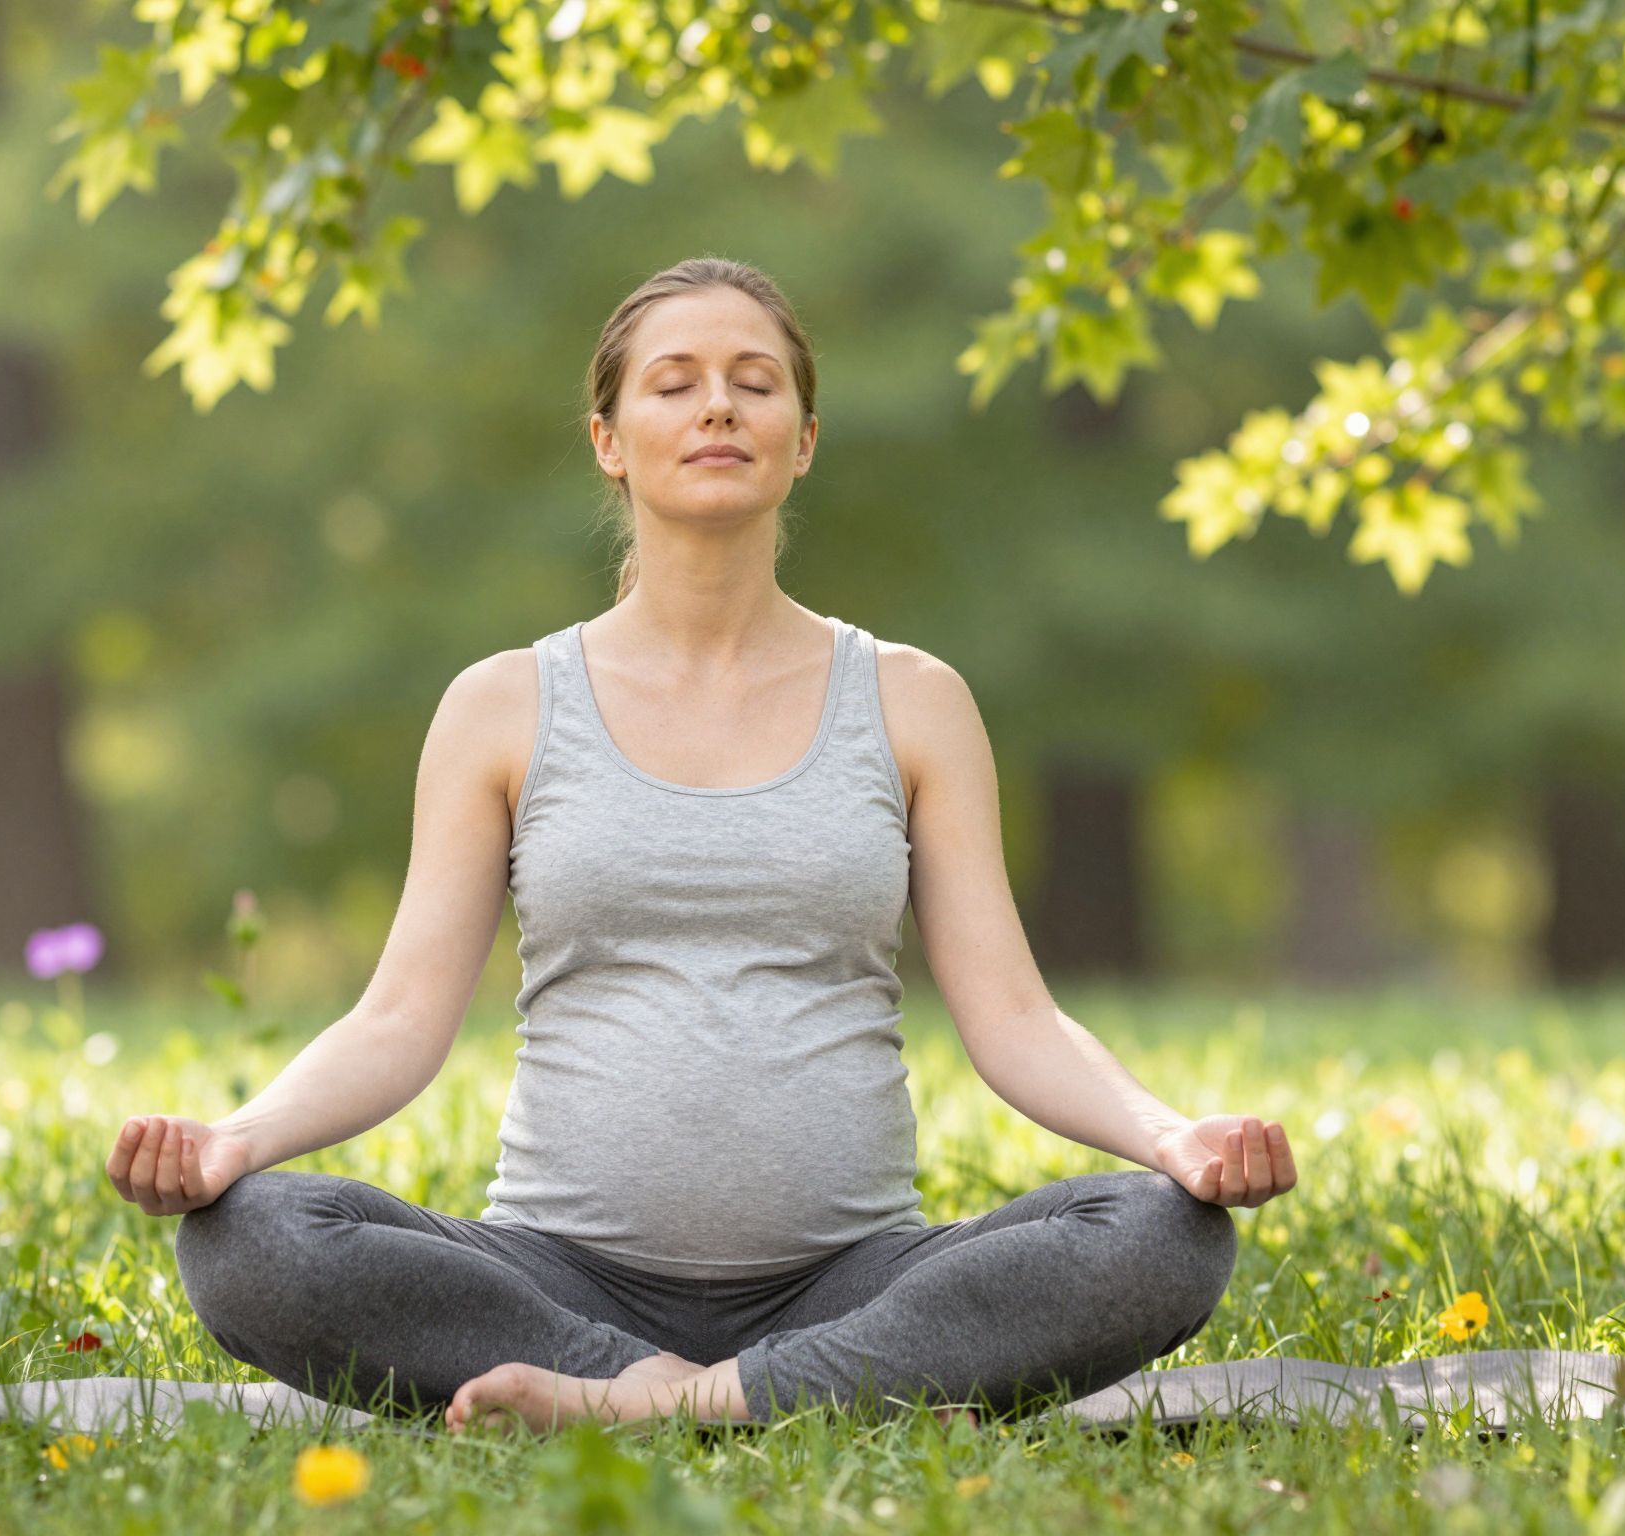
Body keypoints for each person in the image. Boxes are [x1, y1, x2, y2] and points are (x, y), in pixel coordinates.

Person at [105, 257, 1297, 1436]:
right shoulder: (504, 704)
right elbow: (396, 1022)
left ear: (805, 438)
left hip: (854, 1280)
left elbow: (1016, 1022)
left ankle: (655, 1407)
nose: (717, 404)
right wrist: (234, 1140)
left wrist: (1167, 1137)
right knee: (250, 1241)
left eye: (753, 381)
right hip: (554, 1280)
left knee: (1159, 1236)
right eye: (673, 383)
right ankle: (720, 1388)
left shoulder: (912, 700)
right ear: (609, 440)